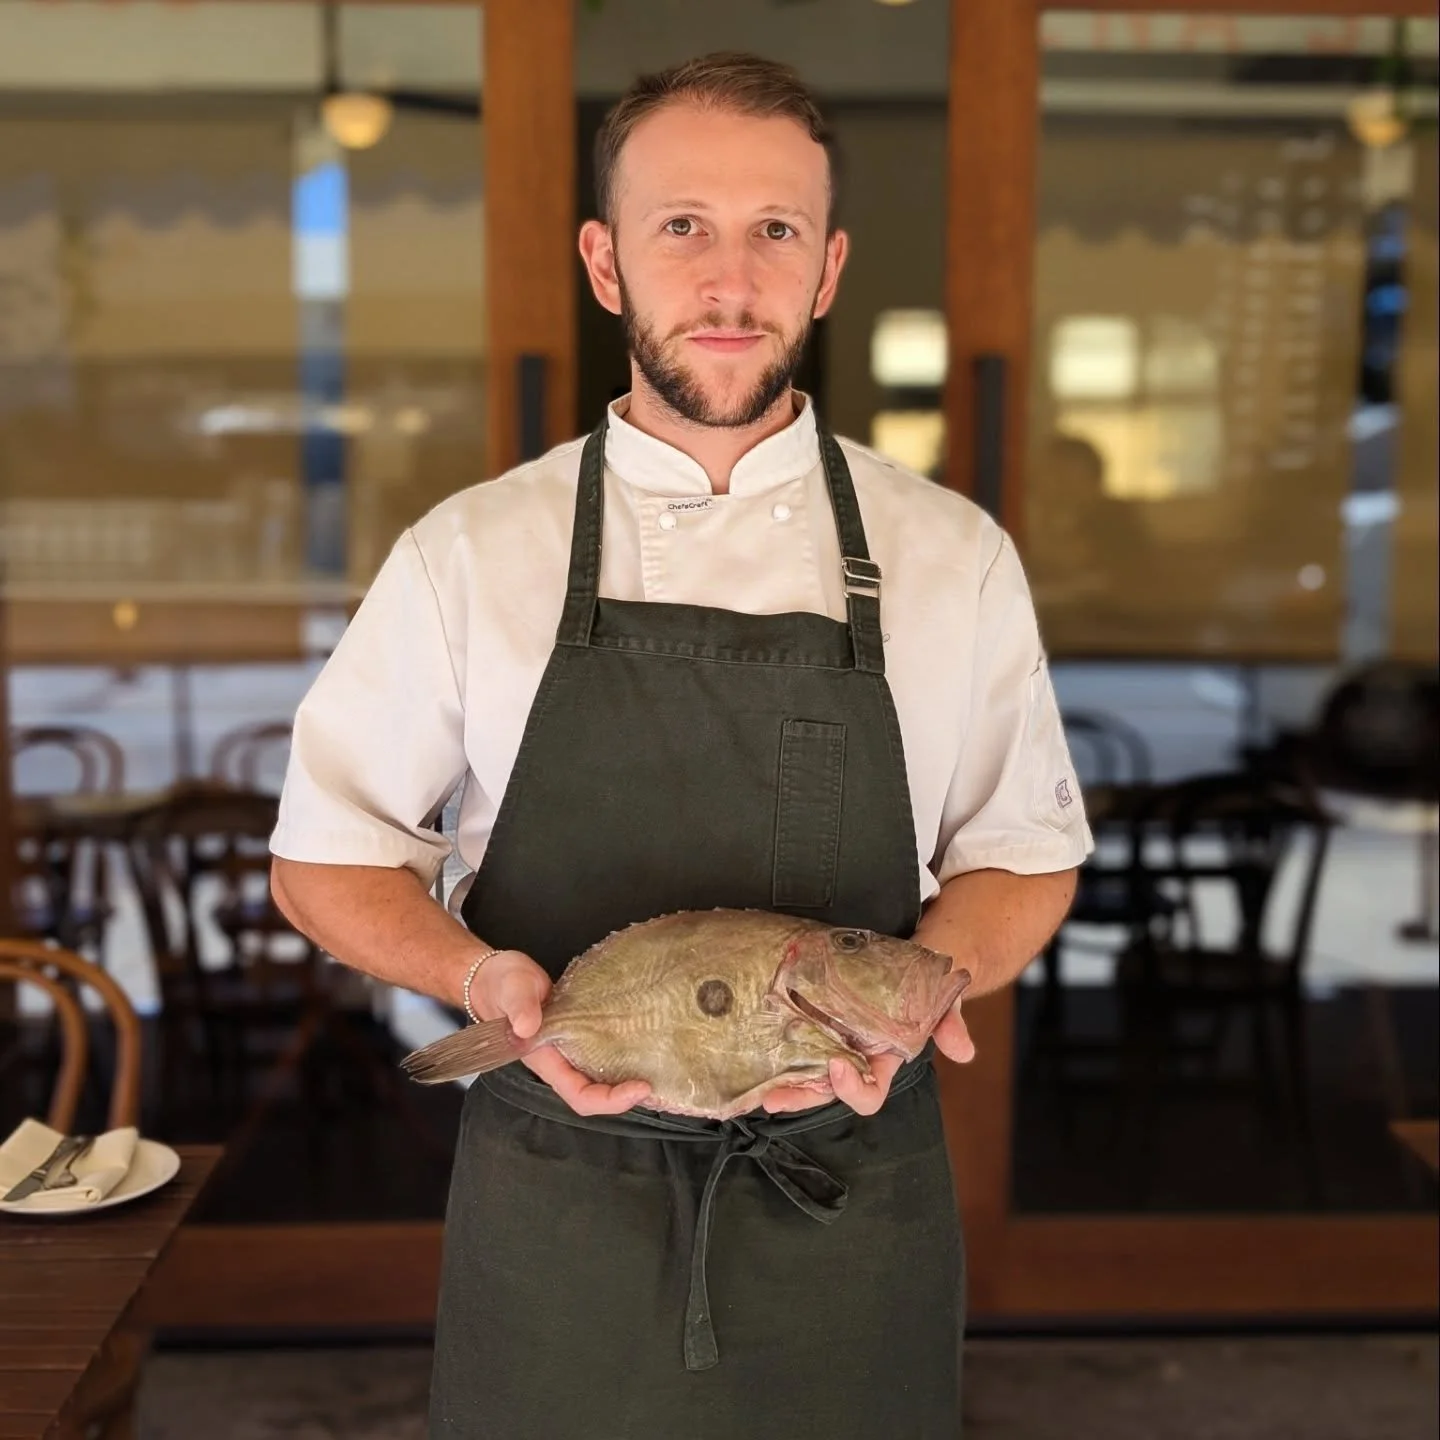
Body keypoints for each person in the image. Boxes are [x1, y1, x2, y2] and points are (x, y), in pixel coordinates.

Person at [269, 52, 1091, 1440]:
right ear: (605, 263)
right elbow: (325, 863)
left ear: (827, 269)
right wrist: (485, 983)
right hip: (558, 1199)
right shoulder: (473, 554)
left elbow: (1022, 860)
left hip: (852, 1191)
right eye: (681, 226)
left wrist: (919, 1006)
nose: (729, 281)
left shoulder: (952, 556)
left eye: (774, 231)